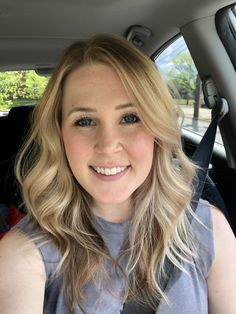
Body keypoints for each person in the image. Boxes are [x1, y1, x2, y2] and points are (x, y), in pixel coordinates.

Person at [0, 35, 235, 314]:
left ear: (157, 130)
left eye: (130, 118)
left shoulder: (208, 229)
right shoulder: (24, 254)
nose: (108, 145)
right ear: (59, 135)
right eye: (84, 121)